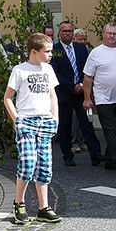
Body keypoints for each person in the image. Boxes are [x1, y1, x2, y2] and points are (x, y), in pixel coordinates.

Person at [2, 32, 61, 224]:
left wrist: (55, 118)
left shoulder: (48, 70)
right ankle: (19, 203)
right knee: (28, 164)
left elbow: (53, 96)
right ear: (34, 52)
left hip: (45, 121)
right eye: (48, 51)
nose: (51, 54)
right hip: (27, 121)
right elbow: (8, 97)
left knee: (44, 166)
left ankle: (43, 208)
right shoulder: (20, 70)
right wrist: (17, 119)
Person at [49, 21, 102, 166]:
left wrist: (81, 86)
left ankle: (96, 155)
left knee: (86, 124)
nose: (67, 33)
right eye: (64, 31)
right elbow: (55, 73)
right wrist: (72, 86)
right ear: (59, 32)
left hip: (81, 93)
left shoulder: (80, 48)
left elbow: (87, 69)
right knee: (65, 126)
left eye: (70, 31)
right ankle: (67, 155)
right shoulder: (55, 50)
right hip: (65, 93)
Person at [82, 23, 116, 174]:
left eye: (115, 34)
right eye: (109, 33)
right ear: (103, 34)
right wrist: (87, 98)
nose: (112, 36)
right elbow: (88, 77)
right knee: (110, 130)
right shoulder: (96, 53)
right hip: (104, 98)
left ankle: (110, 159)